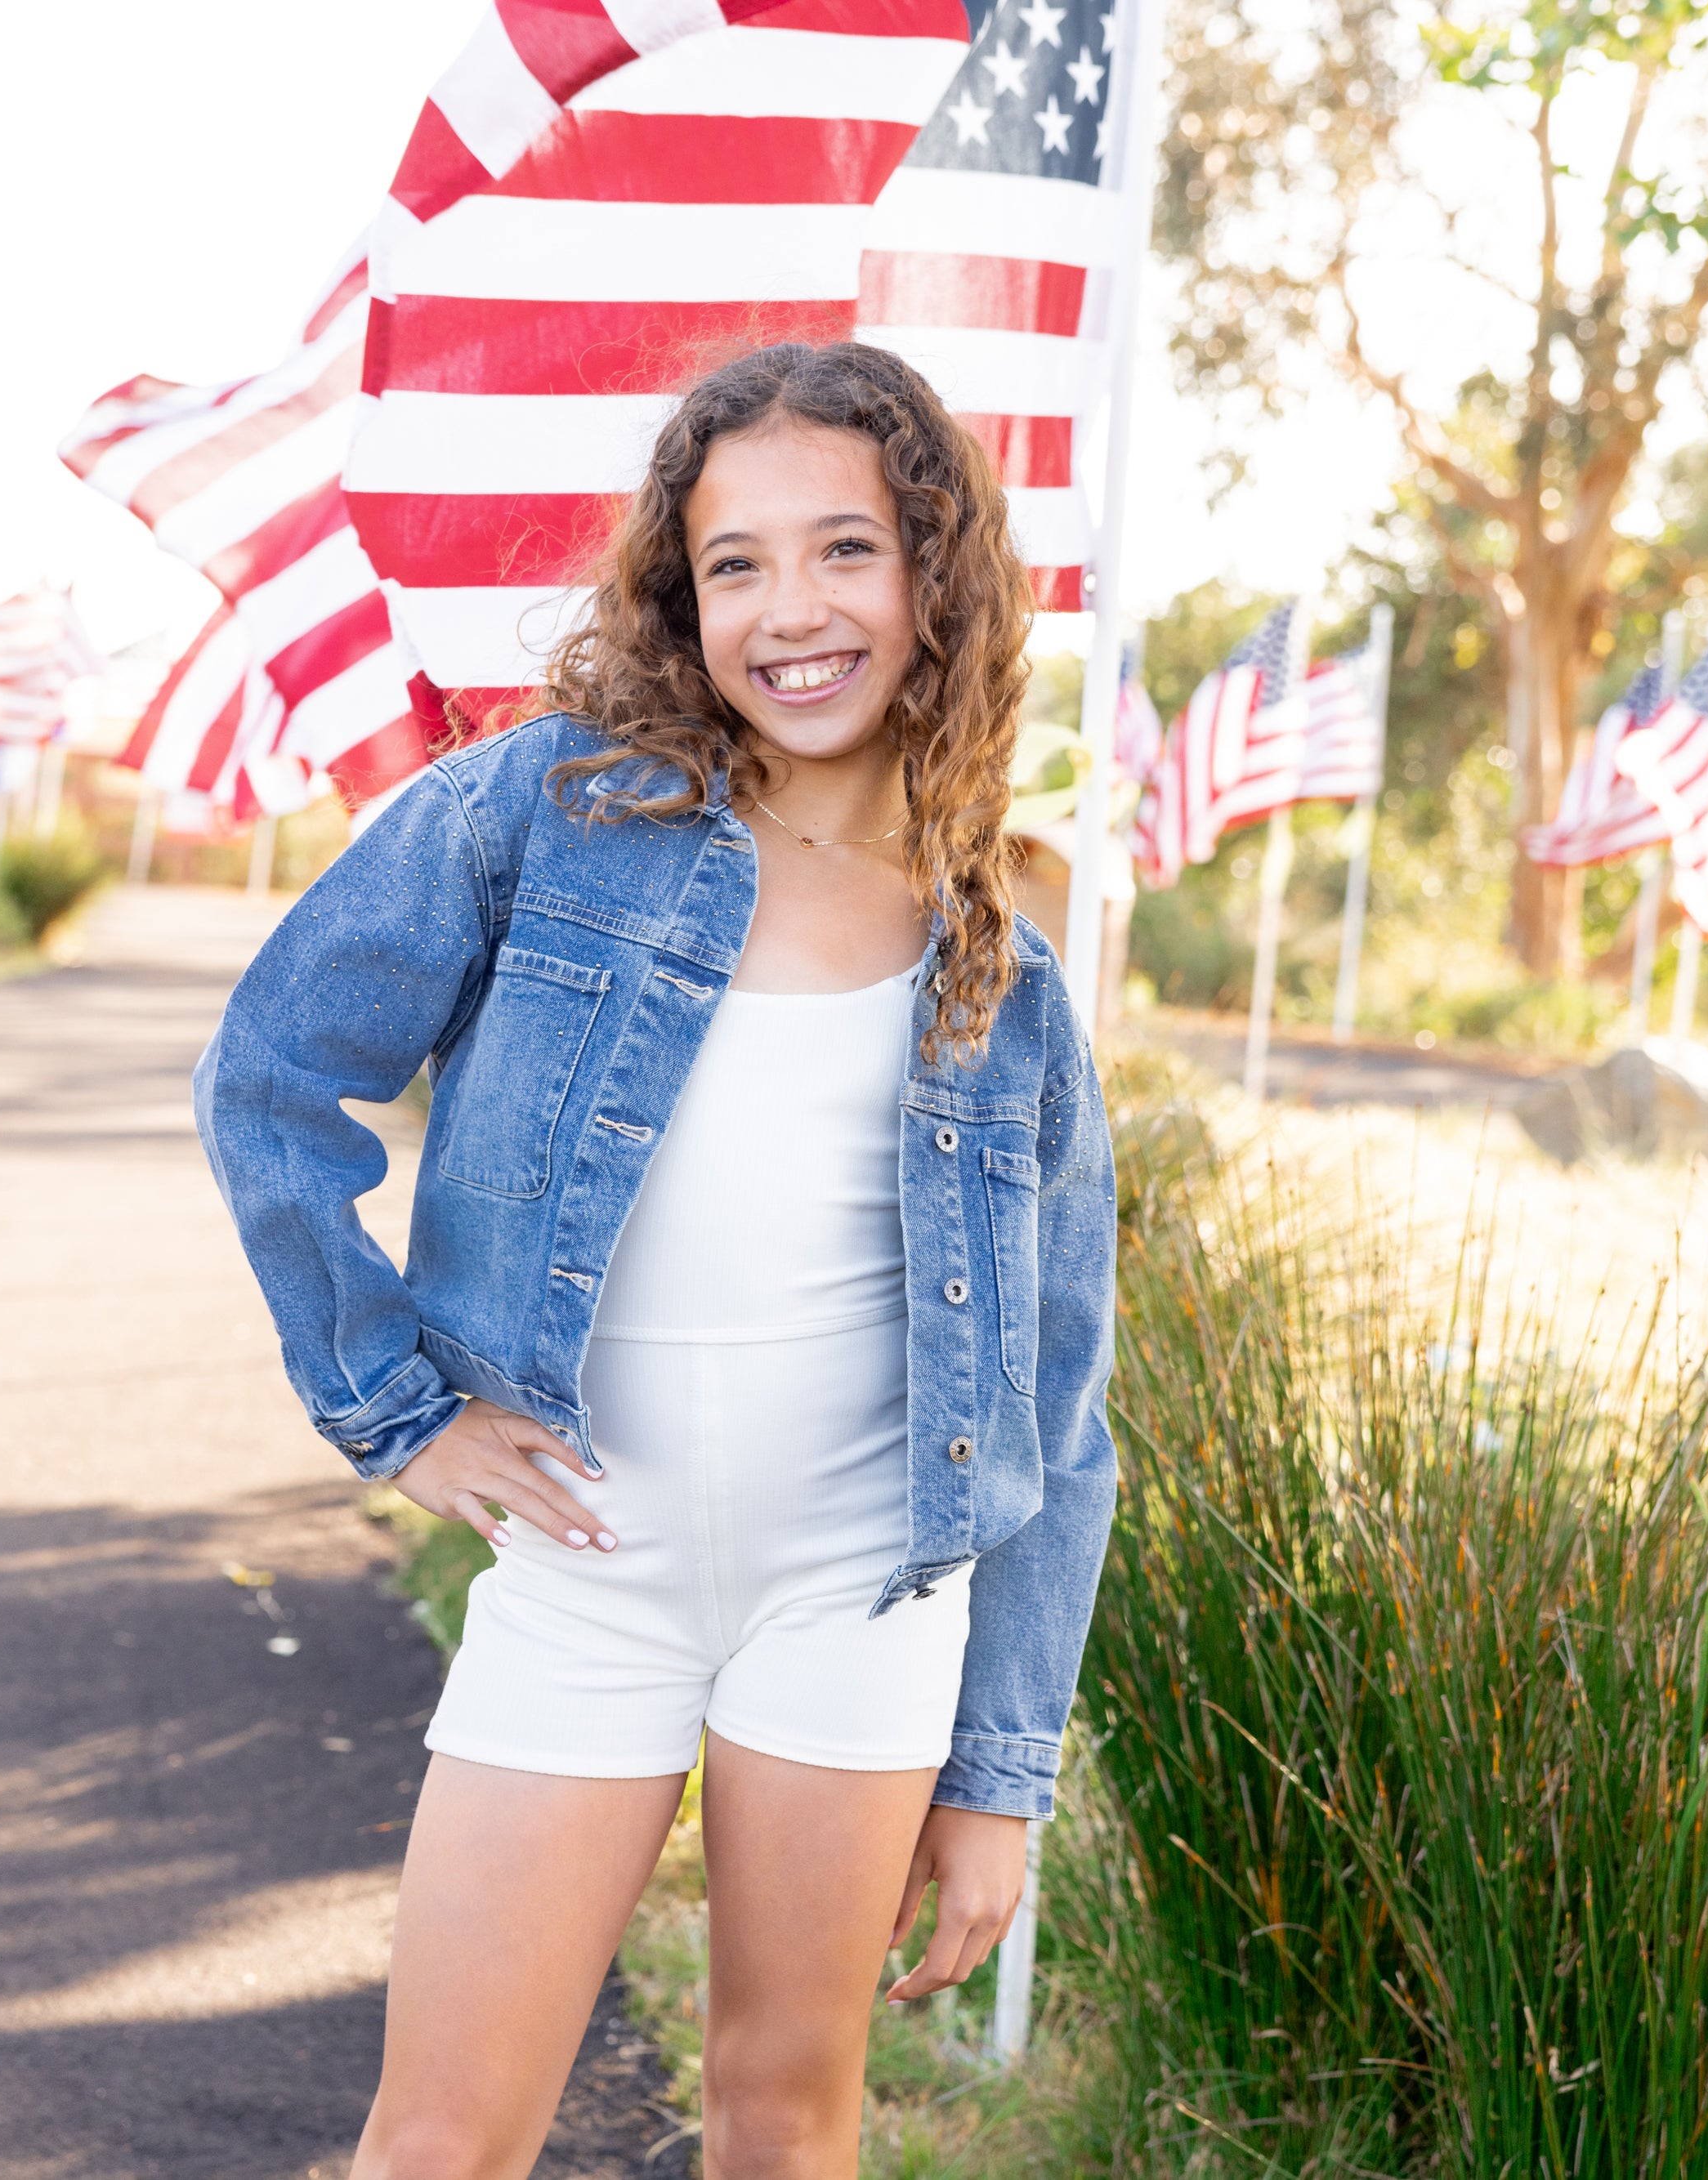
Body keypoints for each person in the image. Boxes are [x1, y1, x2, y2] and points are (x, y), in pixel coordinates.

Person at [194, 338, 1118, 2180]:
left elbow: (1058, 1412)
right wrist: (393, 1412)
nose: (793, 609)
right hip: (585, 1567)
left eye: (845, 550)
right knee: (440, 2135)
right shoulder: (547, 811)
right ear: (679, 597)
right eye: (737, 563)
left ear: (933, 577)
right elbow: (269, 1069)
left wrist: (996, 1772)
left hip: (859, 1595)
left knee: (784, 2121)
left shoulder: (1002, 961)